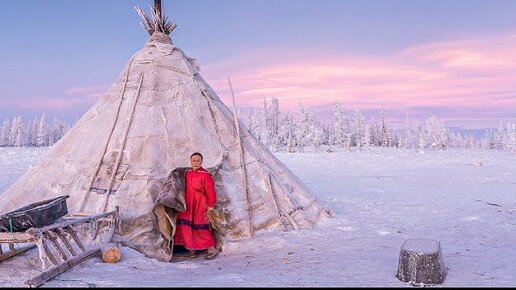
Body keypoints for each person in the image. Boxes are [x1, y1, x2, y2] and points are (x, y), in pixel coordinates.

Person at [174, 152, 219, 259]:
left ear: (202, 162)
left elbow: (210, 192)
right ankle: (191, 249)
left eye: (198, 160)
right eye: (193, 160)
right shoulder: (186, 173)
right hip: (187, 204)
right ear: (190, 161)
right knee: (185, 227)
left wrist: (210, 206)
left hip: (199, 204)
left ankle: (211, 249)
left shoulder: (205, 175)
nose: (195, 162)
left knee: (201, 226)